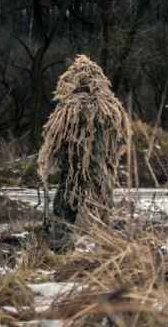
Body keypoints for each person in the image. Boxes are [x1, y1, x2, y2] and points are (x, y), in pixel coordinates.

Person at [38, 55, 129, 253]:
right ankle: (104, 250)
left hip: (72, 171)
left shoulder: (68, 108)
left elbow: (52, 139)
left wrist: (54, 160)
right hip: (103, 170)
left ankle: (63, 250)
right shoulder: (113, 108)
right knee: (103, 209)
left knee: (65, 208)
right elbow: (122, 138)